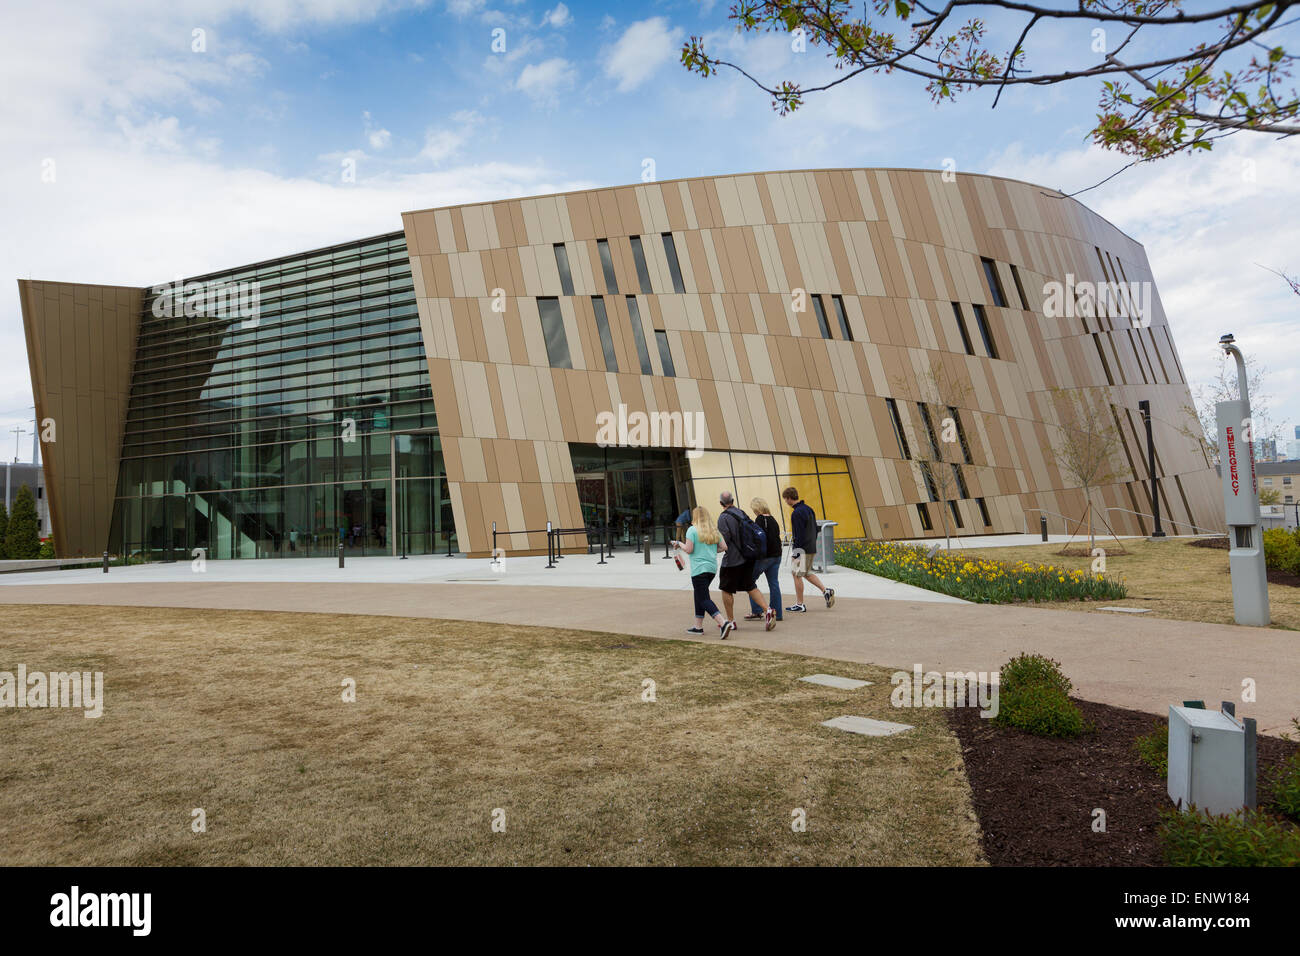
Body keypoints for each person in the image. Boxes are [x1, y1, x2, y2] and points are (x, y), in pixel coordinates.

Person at [715, 491, 776, 631]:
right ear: (733, 500)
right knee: (750, 586)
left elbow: (725, 540)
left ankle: (731, 621)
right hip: (748, 558)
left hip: (732, 560)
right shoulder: (741, 513)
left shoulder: (723, 517)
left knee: (726, 589)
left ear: (721, 503)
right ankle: (767, 610)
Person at [672, 506, 734, 639]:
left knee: (704, 598)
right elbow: (724, 547)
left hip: (699, 569)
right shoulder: (714, 530)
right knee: (699, 595)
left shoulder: (692, 530)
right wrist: (711, 552)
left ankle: (723, 622)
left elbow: (689, 549)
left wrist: (679, 543)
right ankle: (698, 627)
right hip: (711, 568)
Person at [782, 486, 835, 612]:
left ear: (789, 498)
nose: (786, 502)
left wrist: (796, 553)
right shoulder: (809, 509)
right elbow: (815, 529)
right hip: (811, 547)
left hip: (802, 549)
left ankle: (800, 604)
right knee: (805, 573)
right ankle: (825, 591)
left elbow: (798, 535)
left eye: (785, 499)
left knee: (796, 574)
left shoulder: (796, 513)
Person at [745, 497, 784, 623]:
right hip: (777, 555)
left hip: (765, 557)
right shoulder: (773, 519)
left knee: (749, 581)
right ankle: (777, 613)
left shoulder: (760, 519)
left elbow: (759, 539)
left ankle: (757, 610)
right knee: (774, 583)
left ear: (757, 508)